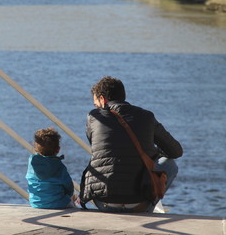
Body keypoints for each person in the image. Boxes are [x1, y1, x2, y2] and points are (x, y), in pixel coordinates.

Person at [79, 76, 183, 213]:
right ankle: (148, 206)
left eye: (96, 103)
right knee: (169, 164)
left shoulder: (94, 117)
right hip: (138, 203)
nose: (96, 107)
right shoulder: (147, 116)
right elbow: (176, 151)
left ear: (102, 99)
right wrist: (153, 153)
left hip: (103, 202)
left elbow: (97, 145)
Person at [26, 127, 77, 209]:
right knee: (73, 204)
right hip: (59, 203)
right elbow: (69, 186)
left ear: (36, 149)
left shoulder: (32, 162)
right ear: (58, 149)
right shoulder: (59, 166)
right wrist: (70, 196)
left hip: (36, 203)